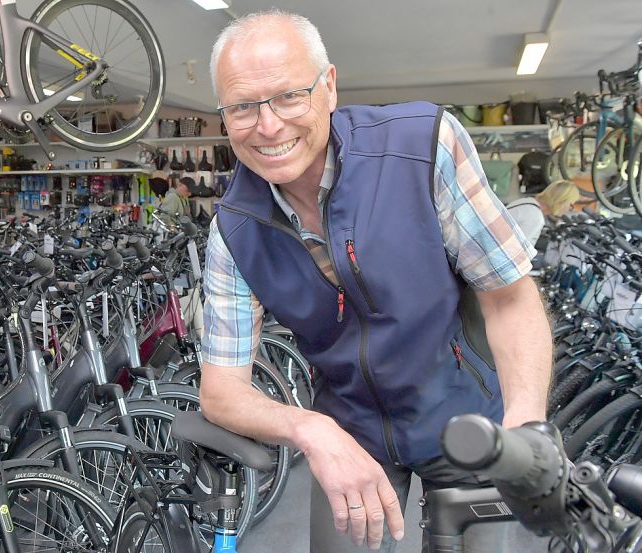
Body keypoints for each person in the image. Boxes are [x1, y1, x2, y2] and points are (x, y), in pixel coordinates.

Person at [199, 9, 553, 553]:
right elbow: (222, 391)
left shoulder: (423, 146)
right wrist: (311, 430)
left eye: (289, 95)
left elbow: (508, 297)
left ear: (329, 86)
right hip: (350, 431)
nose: (268, 126)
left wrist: (525, 425)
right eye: (243, 106)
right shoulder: (233, 228)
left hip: (464, 414)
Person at [506, 180, 580, 247]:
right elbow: (515, 250)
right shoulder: (535, 217)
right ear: (561, 201)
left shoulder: (527, 201)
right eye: (570, 204)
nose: (570, 209)